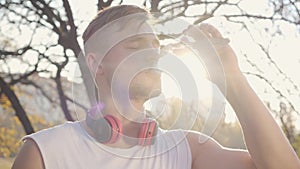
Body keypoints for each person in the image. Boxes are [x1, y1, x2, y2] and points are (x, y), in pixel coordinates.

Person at [12, 5, 300, 169]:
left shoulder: (187, 150)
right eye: (136, 46)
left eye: (155, 45)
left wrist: (233, 78)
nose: (154, 54)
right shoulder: (43, 153)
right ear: (97, 64)